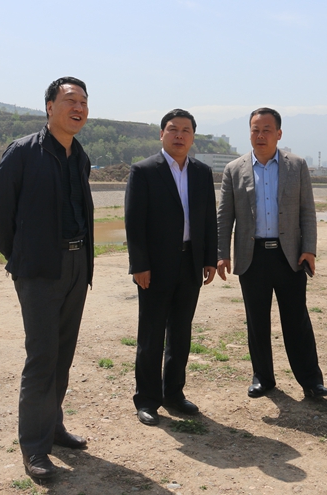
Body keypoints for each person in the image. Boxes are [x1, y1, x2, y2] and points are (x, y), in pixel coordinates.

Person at [0, 77, 93, 479]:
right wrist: (20, 257)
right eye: (70, 100)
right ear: (49, 106)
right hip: (39, 271)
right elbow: (0, 213)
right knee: (42, 357)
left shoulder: (79, 155)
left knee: (63, 354)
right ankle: (34, 448)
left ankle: (53, 425)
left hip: (77, 265)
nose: (78, 107)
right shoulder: (23, 152)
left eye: (83, 101)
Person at [217, 107, 327, 399]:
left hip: (289, 256)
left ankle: (311, 381)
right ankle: (263, 377)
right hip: (252, 256)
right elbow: (224, 216)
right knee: (257, 321)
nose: (260, 135)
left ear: (278, 134)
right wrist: (221, 253)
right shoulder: (234, 169)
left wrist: (309, 249)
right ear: (249, 134)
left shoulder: (297, 166)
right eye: (255, 130)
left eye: (267, 130)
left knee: (296, 320)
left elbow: (307, 211)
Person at [125, 109, 217, 426]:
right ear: (161, 134)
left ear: (193, 137)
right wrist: (139, 264)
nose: (179, 135)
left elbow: (209, 219)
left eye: (186, 130)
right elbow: (134, 222)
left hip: (190, 262)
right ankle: (147, 399)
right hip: (155, 266)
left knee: (180, 333)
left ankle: (174, 394)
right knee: (151, 335)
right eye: (173, 129)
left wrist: (209, 258)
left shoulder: (202, 173)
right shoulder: (144, 171)